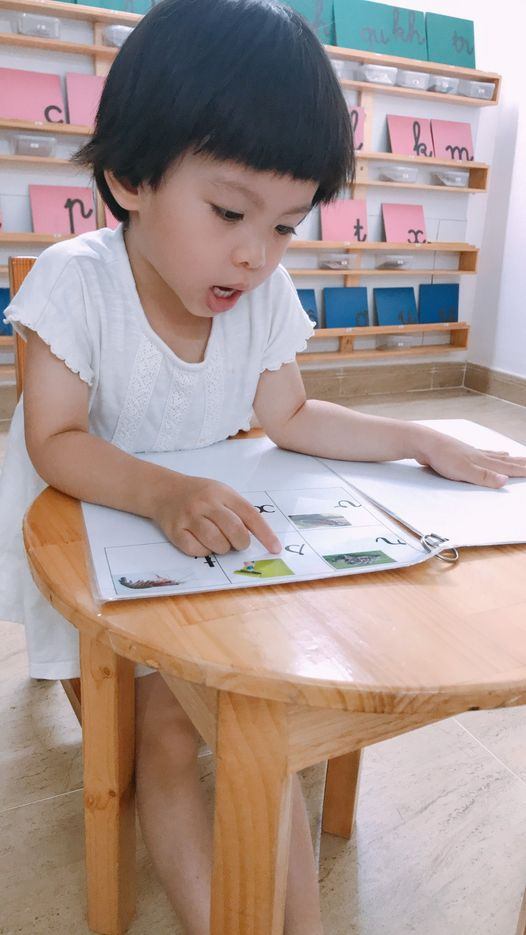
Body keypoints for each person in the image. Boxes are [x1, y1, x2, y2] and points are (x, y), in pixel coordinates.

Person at [0, 0, 525, 931]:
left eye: (286, 224)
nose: (254, 254)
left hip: (201, 533)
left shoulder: (261, 289)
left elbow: (290, 415)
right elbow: (57, 442)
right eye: (229, 212)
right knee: (153, 740)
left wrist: (419, 438)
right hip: (91, 523)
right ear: (129, 178)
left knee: (254, 726)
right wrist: (162, 491)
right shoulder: (75, 279)